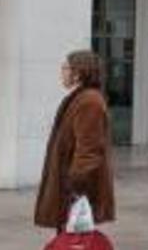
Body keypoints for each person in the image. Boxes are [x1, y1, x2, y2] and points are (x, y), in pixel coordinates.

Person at [34, 50, 116, 231]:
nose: (61, 73)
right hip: (71, 191)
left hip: (75, 193)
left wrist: (73, 187)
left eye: (65, 68)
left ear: (78, 73)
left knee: (74, 242)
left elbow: (90, 150)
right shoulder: (80, 99)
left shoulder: (89, 102)